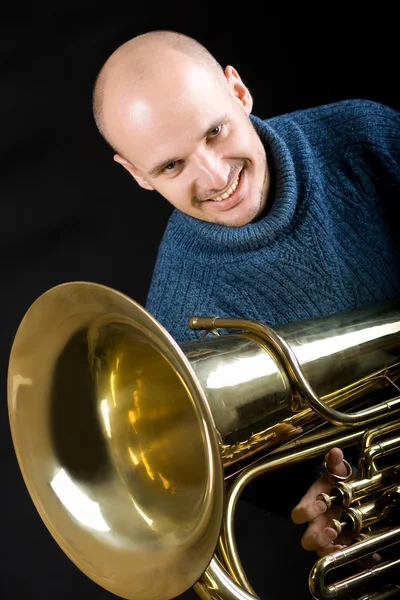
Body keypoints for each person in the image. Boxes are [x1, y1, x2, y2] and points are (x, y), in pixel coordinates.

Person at [92, 29, 400, 598]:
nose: (214, 178)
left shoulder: (366, 135)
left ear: (238, 91)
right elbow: (278, 488)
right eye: (170, 166)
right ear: (134, 173)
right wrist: (319, 498)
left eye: (215, 131)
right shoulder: (177, 323)